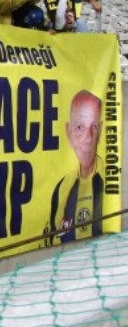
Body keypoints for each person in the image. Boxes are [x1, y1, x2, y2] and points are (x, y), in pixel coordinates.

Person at [47, 90, 105, 244]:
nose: (88, 138)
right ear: (68, 132)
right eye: (80, 127)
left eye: (93, 126)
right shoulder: (61, 189)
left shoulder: (112, 181)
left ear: (100, 130)